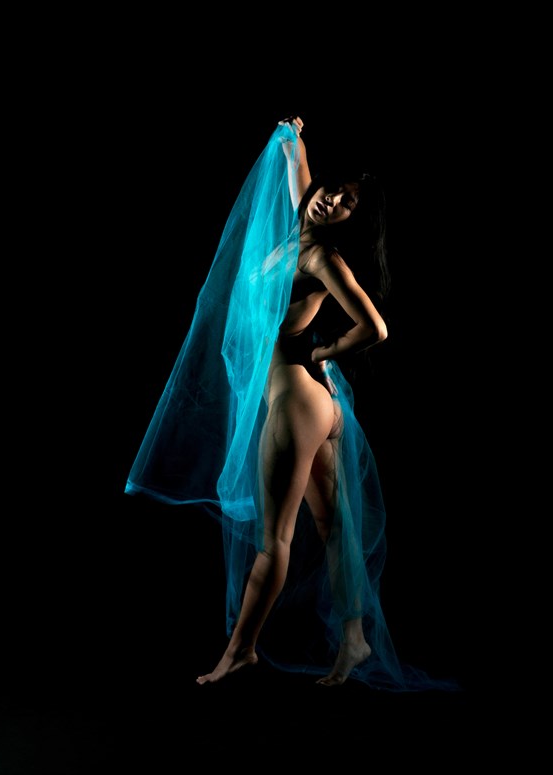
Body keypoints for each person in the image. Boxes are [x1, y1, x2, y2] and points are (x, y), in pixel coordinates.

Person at [125, 116, 459, 692]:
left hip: (296, 402)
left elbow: (375, 328)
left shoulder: (318, 258)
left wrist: (327, 350)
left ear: (351, 220)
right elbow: (295, 166)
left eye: (348, 204)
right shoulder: (295, 227)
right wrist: (292, 133)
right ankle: (353, 637)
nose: (334, 201)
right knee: (332, 525)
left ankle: (241, 651)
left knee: (273, 541)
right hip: (311, 405)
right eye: (336, 190)